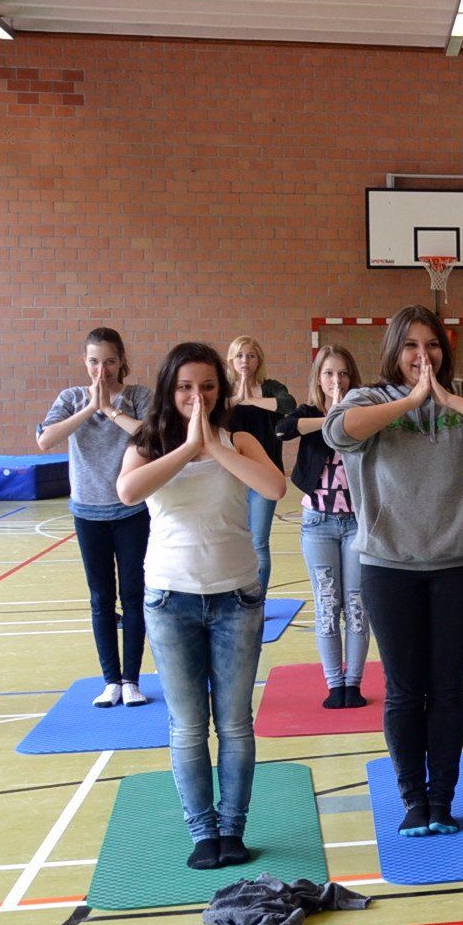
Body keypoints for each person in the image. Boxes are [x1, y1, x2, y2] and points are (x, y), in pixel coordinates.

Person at [326, 306, 463, 837]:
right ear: (394, 350)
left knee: (447, 689)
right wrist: (411, 402)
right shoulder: (367, 398)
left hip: (457, 563)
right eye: (412, 346)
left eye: (433, 345)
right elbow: (338, 432)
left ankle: (442, 800)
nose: (424, 355)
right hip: (388, 565)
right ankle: (413, 800)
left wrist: (448, 400)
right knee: (402, 689)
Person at [116, 342, 286, 870]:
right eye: (186, 387)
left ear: (221, 389)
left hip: (236, 596)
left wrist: (213, 447)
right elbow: (128, 492)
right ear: (170, 389)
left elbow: (274, 487)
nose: (198, 396)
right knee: (188, 726)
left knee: (234, 723)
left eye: (208, 386)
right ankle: (202, 830)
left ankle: (233, 827)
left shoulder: (239, 438)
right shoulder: (147, 443)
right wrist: (188, 448)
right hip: (171, 598)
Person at [38, 328, 152, 708]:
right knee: (101, 598)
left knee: (133, 595)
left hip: (131, 511)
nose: (102, 370)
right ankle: (110, 681)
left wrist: (111, 410)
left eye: (109, 362)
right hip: (88, 513)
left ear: (121, 362)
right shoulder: (70, 398)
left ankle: (131, 679)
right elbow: (45, 440)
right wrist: (91, 407)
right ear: (84, 362)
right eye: (94, 362)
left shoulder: (138, 397)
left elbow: (152, 437)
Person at [279, 345, 370, 710]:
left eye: (343, 373)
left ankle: (354, 682)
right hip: (318, 523)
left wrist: (346, 417)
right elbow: (283, 430)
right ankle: (334, 682)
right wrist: (329, 418)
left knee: (357, 605)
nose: (337, 380)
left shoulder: (363, 414)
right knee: (327, 603)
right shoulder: (308, 413)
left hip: (357, 523)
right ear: (318, 378)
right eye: (329, 373)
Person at [225, 336, 296, 596]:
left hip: (265, 476)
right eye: (240, 355)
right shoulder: (223, 389)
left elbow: (288, 404)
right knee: (232, 541)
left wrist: (251, 400)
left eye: (251, 355)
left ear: (259, 361)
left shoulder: (271, 387)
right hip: (231, 477)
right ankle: (234, 597)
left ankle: (257, 602)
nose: (245, 360)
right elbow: (212, 411)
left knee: (258, 542)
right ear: (231, 360)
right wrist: (237, 398)